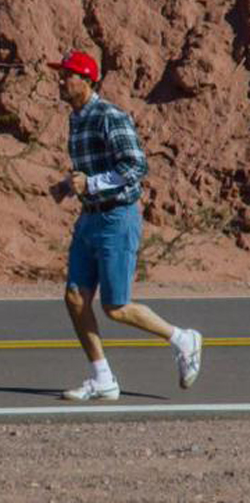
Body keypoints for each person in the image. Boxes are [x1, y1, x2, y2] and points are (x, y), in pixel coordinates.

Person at [46, 50, 203, 401]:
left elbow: (135, 166)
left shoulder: (109, 116)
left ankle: (182, 338)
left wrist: (93, 184)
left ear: (86, 80)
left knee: (116, 307)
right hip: (89, 218)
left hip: (117, 217)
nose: (60, 80)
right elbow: (92, 169)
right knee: (74, 297)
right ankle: (103, 379)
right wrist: (69, 186)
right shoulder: (76, 118)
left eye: (67, 74)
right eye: (60, 74)